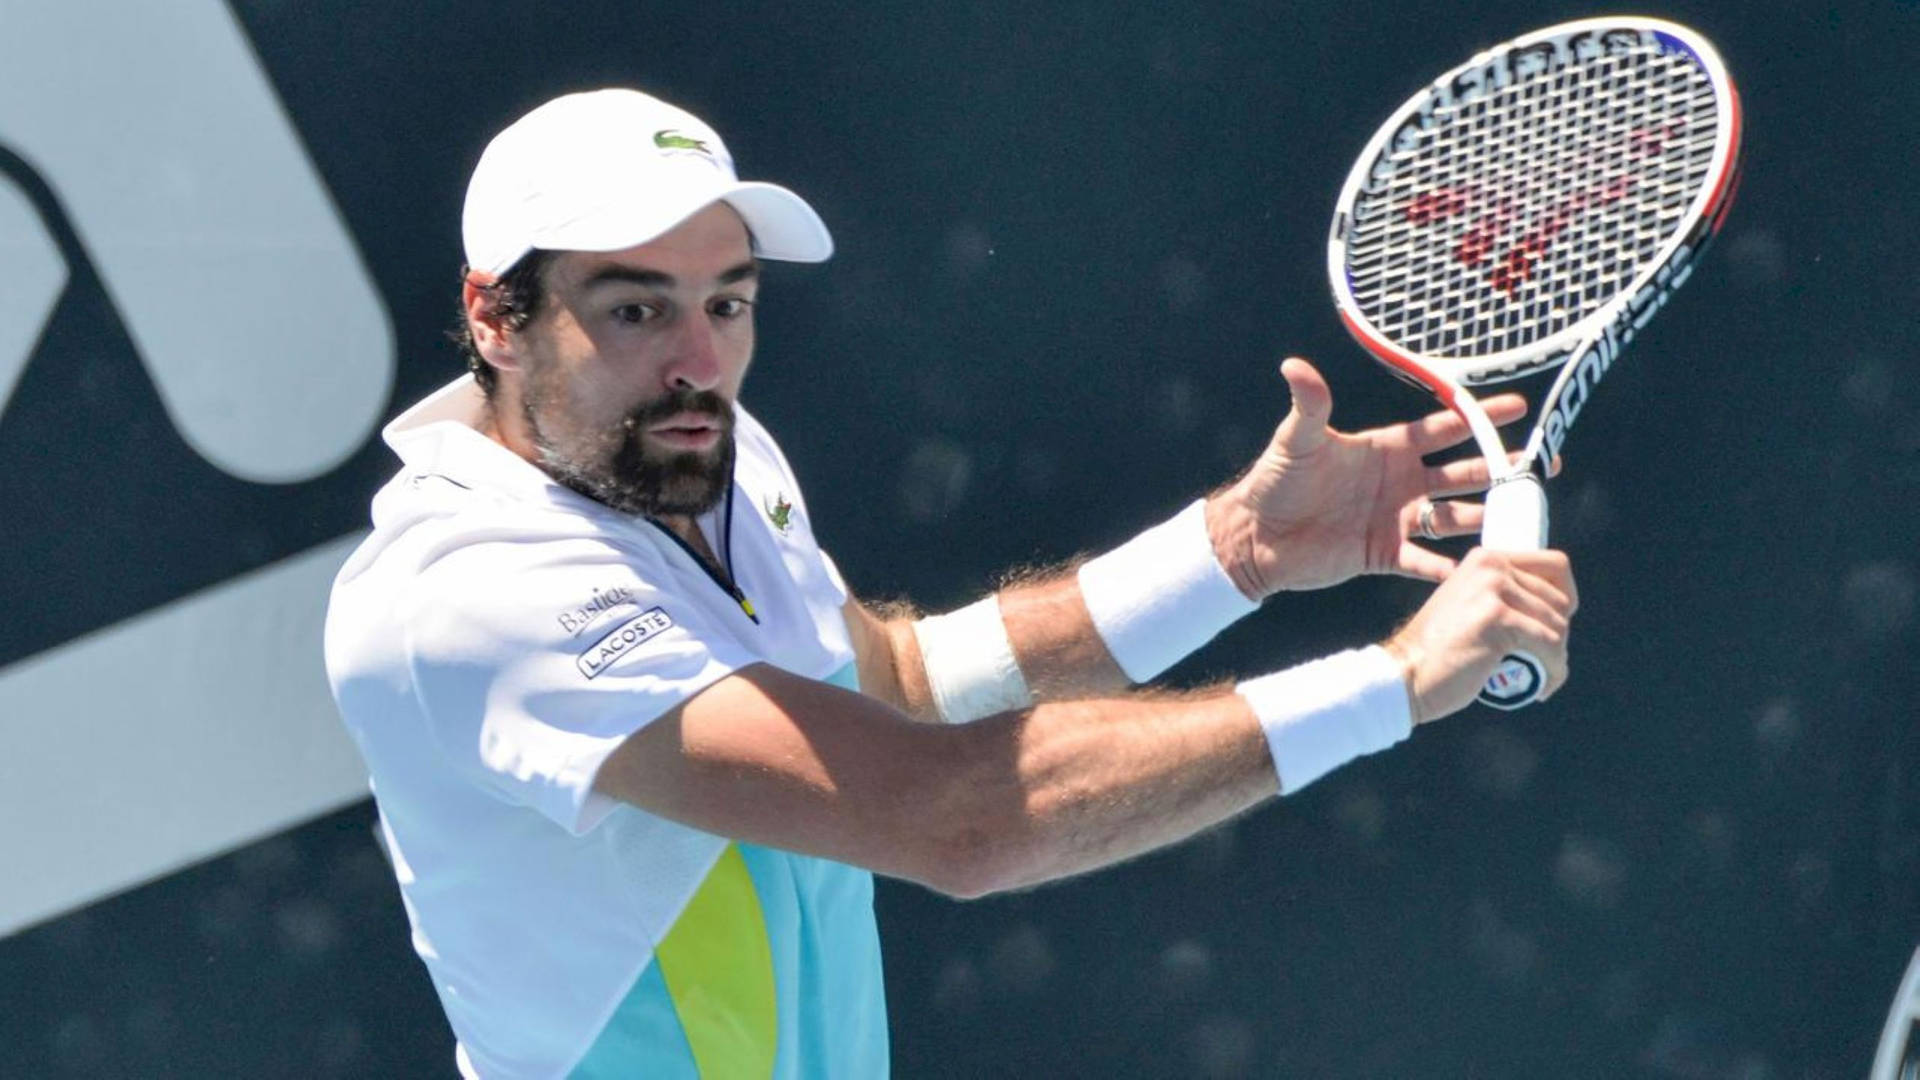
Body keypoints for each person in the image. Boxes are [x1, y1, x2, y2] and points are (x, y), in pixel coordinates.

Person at [323, 87, 1576, 1079]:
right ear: (496, 317)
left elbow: (900, 684)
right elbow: (954, 818)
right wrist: (1396, 682)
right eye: (637, 313)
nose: (702, 362)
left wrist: (1233, 554)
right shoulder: (470, 592)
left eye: (729, 301)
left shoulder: (701, 449)